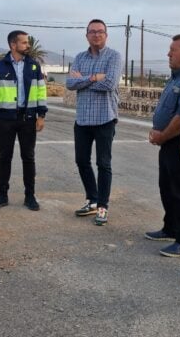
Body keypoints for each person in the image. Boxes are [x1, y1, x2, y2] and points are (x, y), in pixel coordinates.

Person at [146, 34, 180, 257]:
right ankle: (170, 228)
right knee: (167, 186)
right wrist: (157, 130)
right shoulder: (176, 76)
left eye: (173, 50)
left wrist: (162, 135)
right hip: (168, 142)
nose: (168, 54)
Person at [66, 19, 123, 226]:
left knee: (103, 164)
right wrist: (94, 78)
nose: (96, 35)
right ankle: (92, 199)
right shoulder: (80, 57)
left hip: (105, 119)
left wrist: (85, 79)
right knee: (81, 161)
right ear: (87, 35)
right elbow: (70, 84)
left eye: (100, 32)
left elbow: (110, 83)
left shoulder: (114, 56)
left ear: (106, 35)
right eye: (92, 32)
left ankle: (102, 207)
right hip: (82, 120)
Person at [0, 30, 47, 211]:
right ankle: (2, 195)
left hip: (28, 120)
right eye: (25, 42)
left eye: (28, 42)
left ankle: (30, 196)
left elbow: (41, 92)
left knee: (28, 157)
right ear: (13, 45)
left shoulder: (34, 66)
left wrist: (41, 115)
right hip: (5, 120)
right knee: (4, 157)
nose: (28, 45)